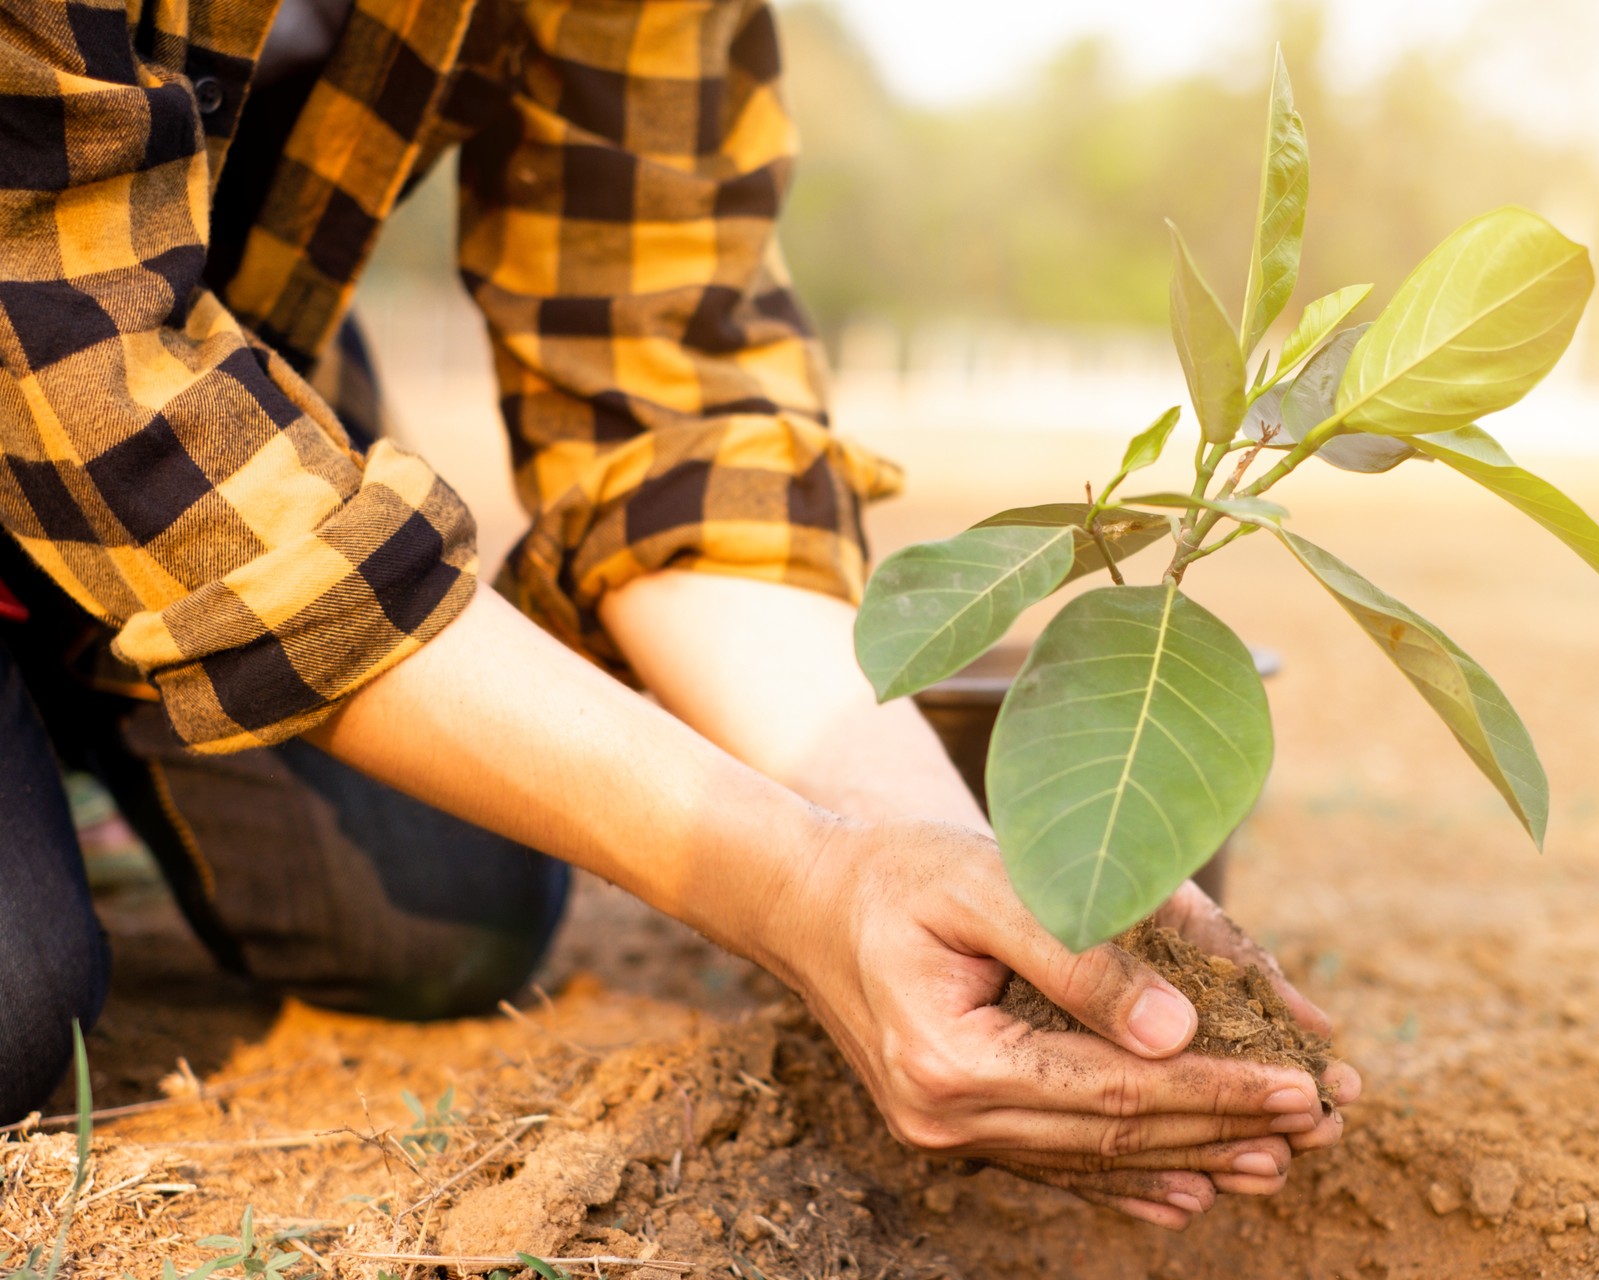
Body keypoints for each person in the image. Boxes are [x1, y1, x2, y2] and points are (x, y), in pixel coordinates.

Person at [0, 0, 1359, 1228]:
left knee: (444, 917)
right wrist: (796, 890)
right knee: (16, 997)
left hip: (220, 423)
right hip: (71, 382)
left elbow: (667, 386)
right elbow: (75, 355)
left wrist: (918, 845)